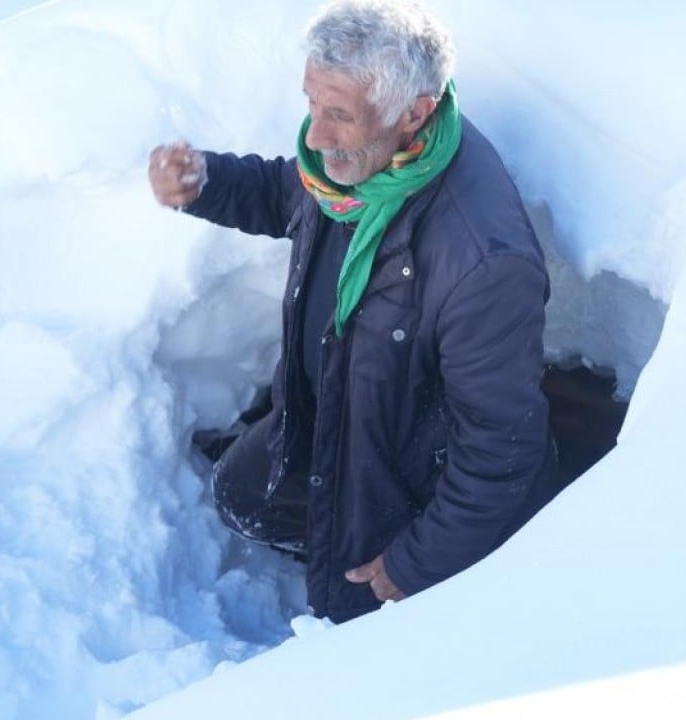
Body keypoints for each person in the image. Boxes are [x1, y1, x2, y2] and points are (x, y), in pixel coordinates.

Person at [148, 0, 560, 623]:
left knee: (356, 609)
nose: (315, 136)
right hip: (341, 415)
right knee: (238, 494)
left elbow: (500, 451)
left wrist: (417, 561)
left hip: (405, 477)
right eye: (312, 104)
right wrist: (206, 183)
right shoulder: (359, 168)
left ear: (414, 113)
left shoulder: (482, 263)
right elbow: (287, 194)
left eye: (338, 114)